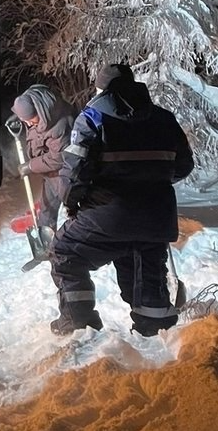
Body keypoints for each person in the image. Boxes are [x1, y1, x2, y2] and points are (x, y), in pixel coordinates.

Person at [49, 63, 194, 337]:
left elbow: (75, 170)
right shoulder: (164, 119)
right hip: (156, 217)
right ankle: (156, 329)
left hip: (107, 215)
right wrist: (153, 182)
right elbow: (184, 165)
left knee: (65, 250)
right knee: (144, 257)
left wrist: (72, 201)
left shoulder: (92, 118)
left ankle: (79, 321)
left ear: (101, 89)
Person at [10, 84, 76, 233]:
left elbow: (58, 158)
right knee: (47, 208)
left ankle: (72, 242)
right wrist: (19, 118)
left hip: (65, 174)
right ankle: (45, 242)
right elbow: (27, 110)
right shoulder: (36, 104)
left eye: (31, 121)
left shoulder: (60, 125)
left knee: (74, 210)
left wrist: (31, 166)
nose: (28, 125)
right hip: (50, 174)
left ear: (40, 111)